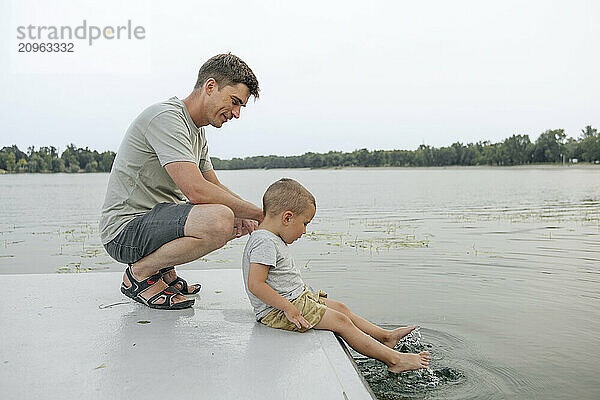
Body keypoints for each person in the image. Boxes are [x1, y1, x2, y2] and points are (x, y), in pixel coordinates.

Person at [100, 53, 263, 310]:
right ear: (210, 87)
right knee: (220, 219)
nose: (237, 113)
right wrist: (264, 213)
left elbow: (214, 186)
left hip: (152, 223)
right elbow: (196, 190)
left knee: (238, 219)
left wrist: (249, 214)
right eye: (234, 102)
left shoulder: (197, 132)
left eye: (241, 106)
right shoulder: (166, 118)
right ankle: (140, 274)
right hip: (123, 232)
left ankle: (163, 272)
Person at [242, 178, 430, 372]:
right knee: (341, 322)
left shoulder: (271, 237)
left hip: (296, 300)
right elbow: (256, 284)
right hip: (278, 311)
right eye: (305, 223)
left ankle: (385, 337)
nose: (305, 231)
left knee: (342, 308)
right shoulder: (264, 242)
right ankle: (395, 360)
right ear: (287, 218)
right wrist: (288, 308)